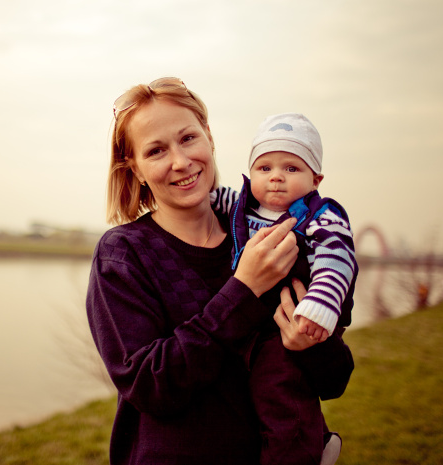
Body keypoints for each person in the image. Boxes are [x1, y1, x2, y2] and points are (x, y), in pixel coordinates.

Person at [86, 78, 354, 465]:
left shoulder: (274, 237)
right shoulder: (123, 254)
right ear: (136, 169)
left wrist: (311, 343)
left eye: (188, 138)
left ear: (209, 138)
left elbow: (335, 380)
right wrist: (243, 288)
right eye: (156, 150)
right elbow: (149, 386)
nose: (181, 161)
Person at [210, 113, 358, 464]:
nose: (276, 176)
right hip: (252, 323)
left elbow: (337, 259)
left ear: (316, 178)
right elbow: (208, 198)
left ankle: (301, 455)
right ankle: (317, 440)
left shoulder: (321, 216)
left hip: (293, 322)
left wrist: (318, 306)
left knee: (282, 396)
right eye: (264, 168)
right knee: (256, 396)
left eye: (291, 168)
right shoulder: (240, 205)